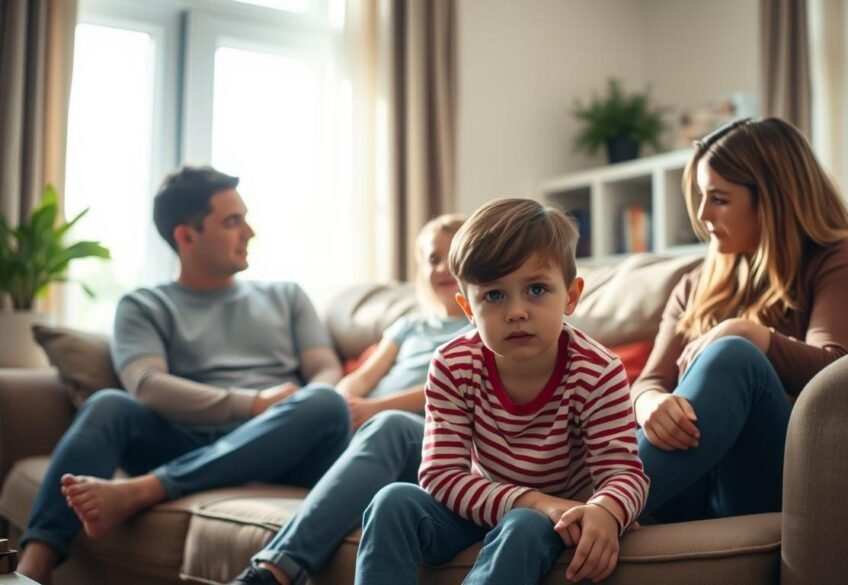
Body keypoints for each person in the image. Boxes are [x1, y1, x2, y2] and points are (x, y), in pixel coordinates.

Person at [17, 167, 352, 585]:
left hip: (283, 444)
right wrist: (251, 403)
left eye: (245, 218)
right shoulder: (144, 305)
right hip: (187, 438)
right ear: (186, 236)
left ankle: (145, 489)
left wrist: (283, 408)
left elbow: (325, 369)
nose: (249, 232)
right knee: (109, 405)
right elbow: (147, 385)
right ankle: (30, 569)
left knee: (325, 402)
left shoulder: (287, 296)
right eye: (232, 222)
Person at [355, 198, 650, 585]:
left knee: (524, 524)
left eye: (536, 289)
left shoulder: (597, 371)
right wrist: (535, 500)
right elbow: (441, 474)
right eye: (494, 295)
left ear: (572, 296)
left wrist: (606, 510)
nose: (516, 312)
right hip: (479, 508)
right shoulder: (452, 363)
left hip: (554, 524)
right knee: (392, 500)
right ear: (467, 307)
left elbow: (623, 472)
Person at [632, 117, 848, 522]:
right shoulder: (694, 284)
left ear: (773, 199)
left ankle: (599, 506)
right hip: (687, 484)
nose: (703, 214)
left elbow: (838, 370)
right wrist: (649, 403)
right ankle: (577, 506)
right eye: (701, 196)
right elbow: (649, 379)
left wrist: (749, 333)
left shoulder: (838, 258)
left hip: (770, 476)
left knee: (734, 354)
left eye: (720, 199)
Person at [230, 214, 473, 585]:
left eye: (451, 258)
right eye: (432, 259)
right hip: (368, 429)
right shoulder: (409, 326)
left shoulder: (482, 325)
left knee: (389, 426)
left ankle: (274, 572)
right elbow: (363, 376)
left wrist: (375, 408)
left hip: (424, 439)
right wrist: (344, 400)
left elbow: (445, 386)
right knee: (322, 406)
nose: (441, 268)